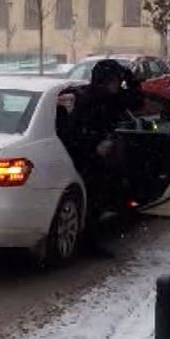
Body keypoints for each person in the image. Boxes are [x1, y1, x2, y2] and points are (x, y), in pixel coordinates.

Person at [60, 59, 144, 253]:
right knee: (92, 199)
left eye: (119, 81)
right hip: (83, 157)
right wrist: (95, 146)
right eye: (115, 80)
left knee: (101, 196)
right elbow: (71, 132)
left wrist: (128, 76)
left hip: (99, 157)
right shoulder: (84, 99)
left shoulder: (113, 98)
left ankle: (94, 236)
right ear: (104, 81)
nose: (118, 85)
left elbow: (137, 100)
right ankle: (88, 243)